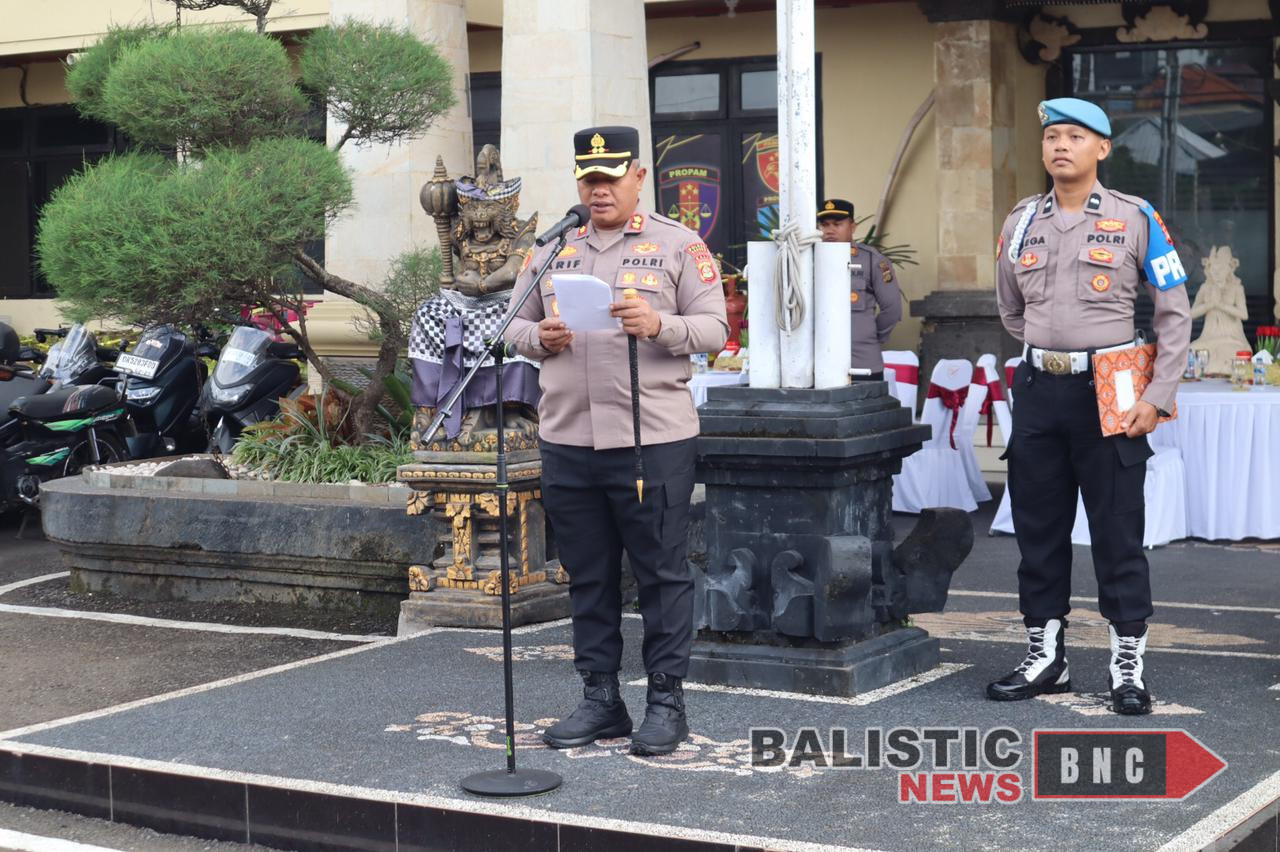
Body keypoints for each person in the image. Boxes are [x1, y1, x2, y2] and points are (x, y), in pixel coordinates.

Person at [503, 126, 728, 754]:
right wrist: (540, 337)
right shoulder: (553, 248)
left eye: (609, 178)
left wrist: (659, 324)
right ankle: (601, 700)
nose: (598, 190)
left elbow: (715, 329)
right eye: (588, 179)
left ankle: (666, 703)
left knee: (661, 575)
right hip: (568, 438)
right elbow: (513, 327)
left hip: (650, 440)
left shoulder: (679, 245)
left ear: (638, 177)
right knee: (587, 575)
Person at [988, 98, 1191, 715]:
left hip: (1112, 390)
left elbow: (1174, 314)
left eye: (1076, 136)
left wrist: (1156, 397)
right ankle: (1045, 657)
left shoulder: (1136, 218)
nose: (1061, 146)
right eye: (1052, 136)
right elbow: (1010, 307)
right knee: (1038, 530)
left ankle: (1127, 665)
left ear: (1102, 148)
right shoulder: (1022, 221)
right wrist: (1049, 348)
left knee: (1117, 532)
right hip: (1039, 390)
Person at [816, 198, 902, 379]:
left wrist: (869, 336)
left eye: (837, 224)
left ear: (852, 227)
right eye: (824, 225)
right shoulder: (808, 260)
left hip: (861, 361)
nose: (830, 230)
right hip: (817, 364)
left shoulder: (872, 260)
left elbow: (892, 309)